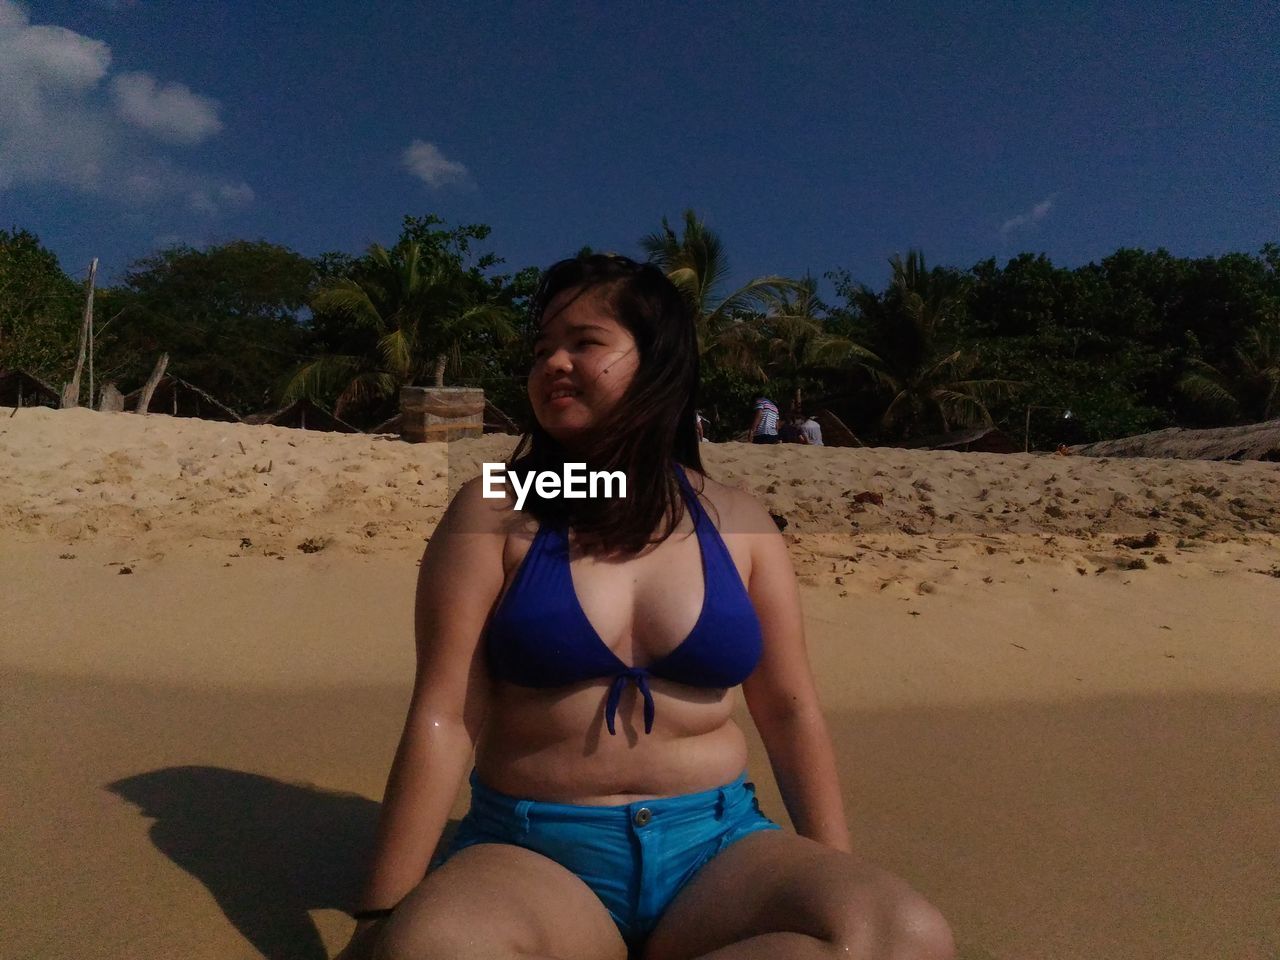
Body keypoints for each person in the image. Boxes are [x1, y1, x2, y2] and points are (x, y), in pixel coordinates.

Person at [334, 254, 954, 960]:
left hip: (717, 851)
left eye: (584, 342)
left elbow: (788, 708)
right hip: (537, 855)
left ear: (657, 362)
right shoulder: (495, 510)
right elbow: (444, 717)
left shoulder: (737, 518)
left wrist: (837, 869)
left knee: (899, 936)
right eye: (541, 349)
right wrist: (379, 914)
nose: (552, 363)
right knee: (433, 951)